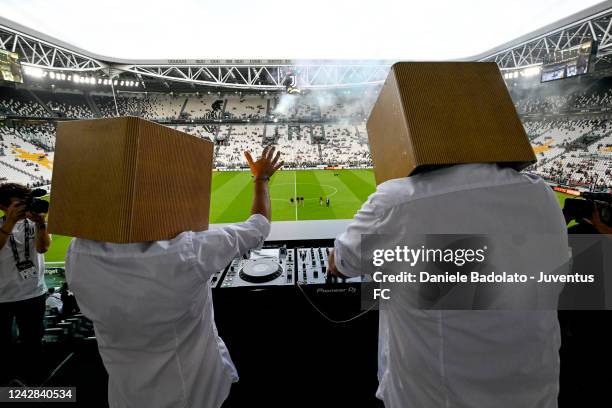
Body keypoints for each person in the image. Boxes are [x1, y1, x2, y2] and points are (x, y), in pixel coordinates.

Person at [328, 163, 569, 407]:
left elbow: (341, 263)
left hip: (431, 398)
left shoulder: (396, 201)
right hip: (534, 396)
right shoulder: (542, 194)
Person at [65, 146, 283, 408]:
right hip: (195, 395)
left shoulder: (77, 254)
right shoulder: (186, 251)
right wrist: (260, 178)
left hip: (126, 396)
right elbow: (258, 227)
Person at [0, 182, 51, 385]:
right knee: (4, 346)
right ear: (4, 207)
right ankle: (7, 389)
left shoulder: (34, 222)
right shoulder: (3, 224)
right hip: (2, 297)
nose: (25, 207)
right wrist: (9, 223)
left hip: (33, 293)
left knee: (33, 344)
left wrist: (41, 224)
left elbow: (43, 248)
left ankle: (36, 387)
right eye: (18, 204)